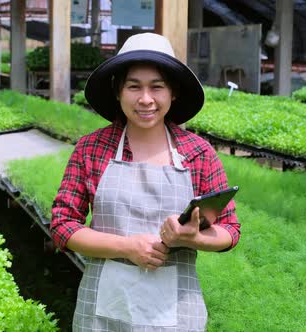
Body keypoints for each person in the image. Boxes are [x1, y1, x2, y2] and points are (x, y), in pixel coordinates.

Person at [51, 33, 240, 331]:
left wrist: (195, 239)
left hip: (176, 311)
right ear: (117, 91)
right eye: (133, 86)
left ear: (173, 93)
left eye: (157, 87)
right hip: (103, 310)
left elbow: (230, 229)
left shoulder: (198, 153)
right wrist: (126, 247)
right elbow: (63, 226)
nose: (145, 99)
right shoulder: (92, 149)